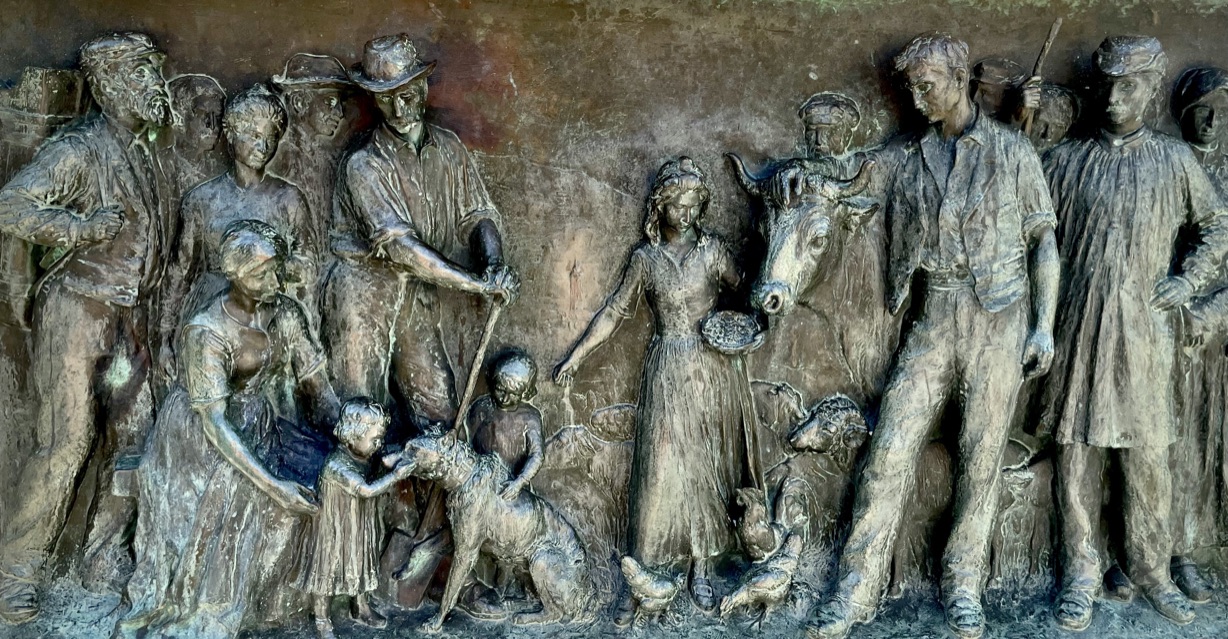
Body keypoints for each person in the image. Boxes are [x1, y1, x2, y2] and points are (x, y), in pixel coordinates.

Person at [807, 34, 1059, 639]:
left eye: (927, 86)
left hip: (1000, 317)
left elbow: (1042, 242)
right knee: (889, 448)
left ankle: (963, 585)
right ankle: (856, 588)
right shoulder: (907, 156)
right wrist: (807, 179)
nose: (917, 100)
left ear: (960, 79)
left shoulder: (1012, 151)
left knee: (980, 458)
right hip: (934, 316)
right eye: (910, 90)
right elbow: (852, 176)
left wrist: (1043, 327)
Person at [323, 33, 518, 605]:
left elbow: (479, 213)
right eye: (385, 95)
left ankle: (428, 563)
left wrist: (494, 261)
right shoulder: (363, 165)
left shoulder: (449, 151)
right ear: (374, 99)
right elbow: (401, 248)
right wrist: (475, 284)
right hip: (363, 299)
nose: (400, 103)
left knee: (441, 423)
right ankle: (346, 581)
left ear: (422, 85)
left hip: (420, 302)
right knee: (360, 436)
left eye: (408, 89)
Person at [1041, 36, 1228, 631]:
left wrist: (1187, 279)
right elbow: (1028, 233)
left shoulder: (1176, 162)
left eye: (1130, 86)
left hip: (1146, 334)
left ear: (1151, 87)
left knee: (1148, 459)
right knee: (1076, 455)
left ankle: (1152, 572)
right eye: (1109, 86)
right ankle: (1080, 575)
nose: (1117, 98)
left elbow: (1217, 226)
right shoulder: (1065, 161)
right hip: (1078, 329)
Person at [0, 32, 175, 624]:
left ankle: (101, 561)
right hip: (77, 313)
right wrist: (79, 229)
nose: (157, 86)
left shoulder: (145, 151)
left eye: (156, 73)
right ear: (111, 86)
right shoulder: (80, 149)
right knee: (66, 442)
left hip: (128, 322)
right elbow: (11, 205)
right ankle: (13, 575)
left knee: (137, 440)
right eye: (145, 75)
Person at [554, 157, 759, 621]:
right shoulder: (645, 259)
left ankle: (701, 567)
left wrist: (746, 323)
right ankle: (641, 572)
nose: (686, 214)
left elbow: (746, 292)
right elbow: (612, 312)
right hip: (666, 366)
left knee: (705, 464)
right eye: (677, 205)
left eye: (694, 205)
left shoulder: (712, 252)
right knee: (658, 466)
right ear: (660, 206)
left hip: (709, 367)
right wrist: (576, 356)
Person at [117, 220, 339, 639]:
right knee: (259, 501)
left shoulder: (286, 313)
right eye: (261, 273)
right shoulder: (206, 331)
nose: (274, 280)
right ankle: (232, 601)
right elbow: (215, 424)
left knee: (328, 473)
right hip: (201, 441)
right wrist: (276, 486)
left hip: (257, 423)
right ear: (233, 276)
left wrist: (348, 434)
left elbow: (317, 387)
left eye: (276, 269)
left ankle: (290, 599)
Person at [159, 85, 321, 467]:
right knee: (209, 433)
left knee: (276, 427)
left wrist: (277, 273)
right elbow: (180, 271)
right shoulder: (202, 200)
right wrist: (165, 336)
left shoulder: (289, 200)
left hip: (271, 319)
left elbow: (309, 263)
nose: (262, 143)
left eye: (270, 135)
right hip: (214, 322)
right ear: (230, 136)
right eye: (251, 132)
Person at [295, 398, 415, 639]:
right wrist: (395, 476)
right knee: (326, 574)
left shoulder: (362, 455)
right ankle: (322, 619)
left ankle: (360, 607)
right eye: (374, 439)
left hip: (357, 525)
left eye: (380, 439)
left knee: (360, 563)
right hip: (335, 529)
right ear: (352, 435)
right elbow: (365, 490)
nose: (378, 444)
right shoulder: (336, 465)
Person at [462, 348, 545, 614]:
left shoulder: (530, 417)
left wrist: (519, 482)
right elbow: (467, 443)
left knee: (509, 546)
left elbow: (536, 455)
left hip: (512, 490)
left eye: (513, 393)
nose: (504, 397)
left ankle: (507, 586)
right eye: (500, 388)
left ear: (527, 392)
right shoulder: (482, 408)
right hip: (480, 486)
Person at [268, 52, 353, 263]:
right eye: (330, 101)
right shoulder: (280, 162)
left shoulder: (334, 160)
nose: (340, 113)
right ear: (298, 102)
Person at [166, 74, 226, 199]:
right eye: (203, 114)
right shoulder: (161, 165)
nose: (212, 125)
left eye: (218, 116)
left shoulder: (219, 170)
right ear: (181, 117)